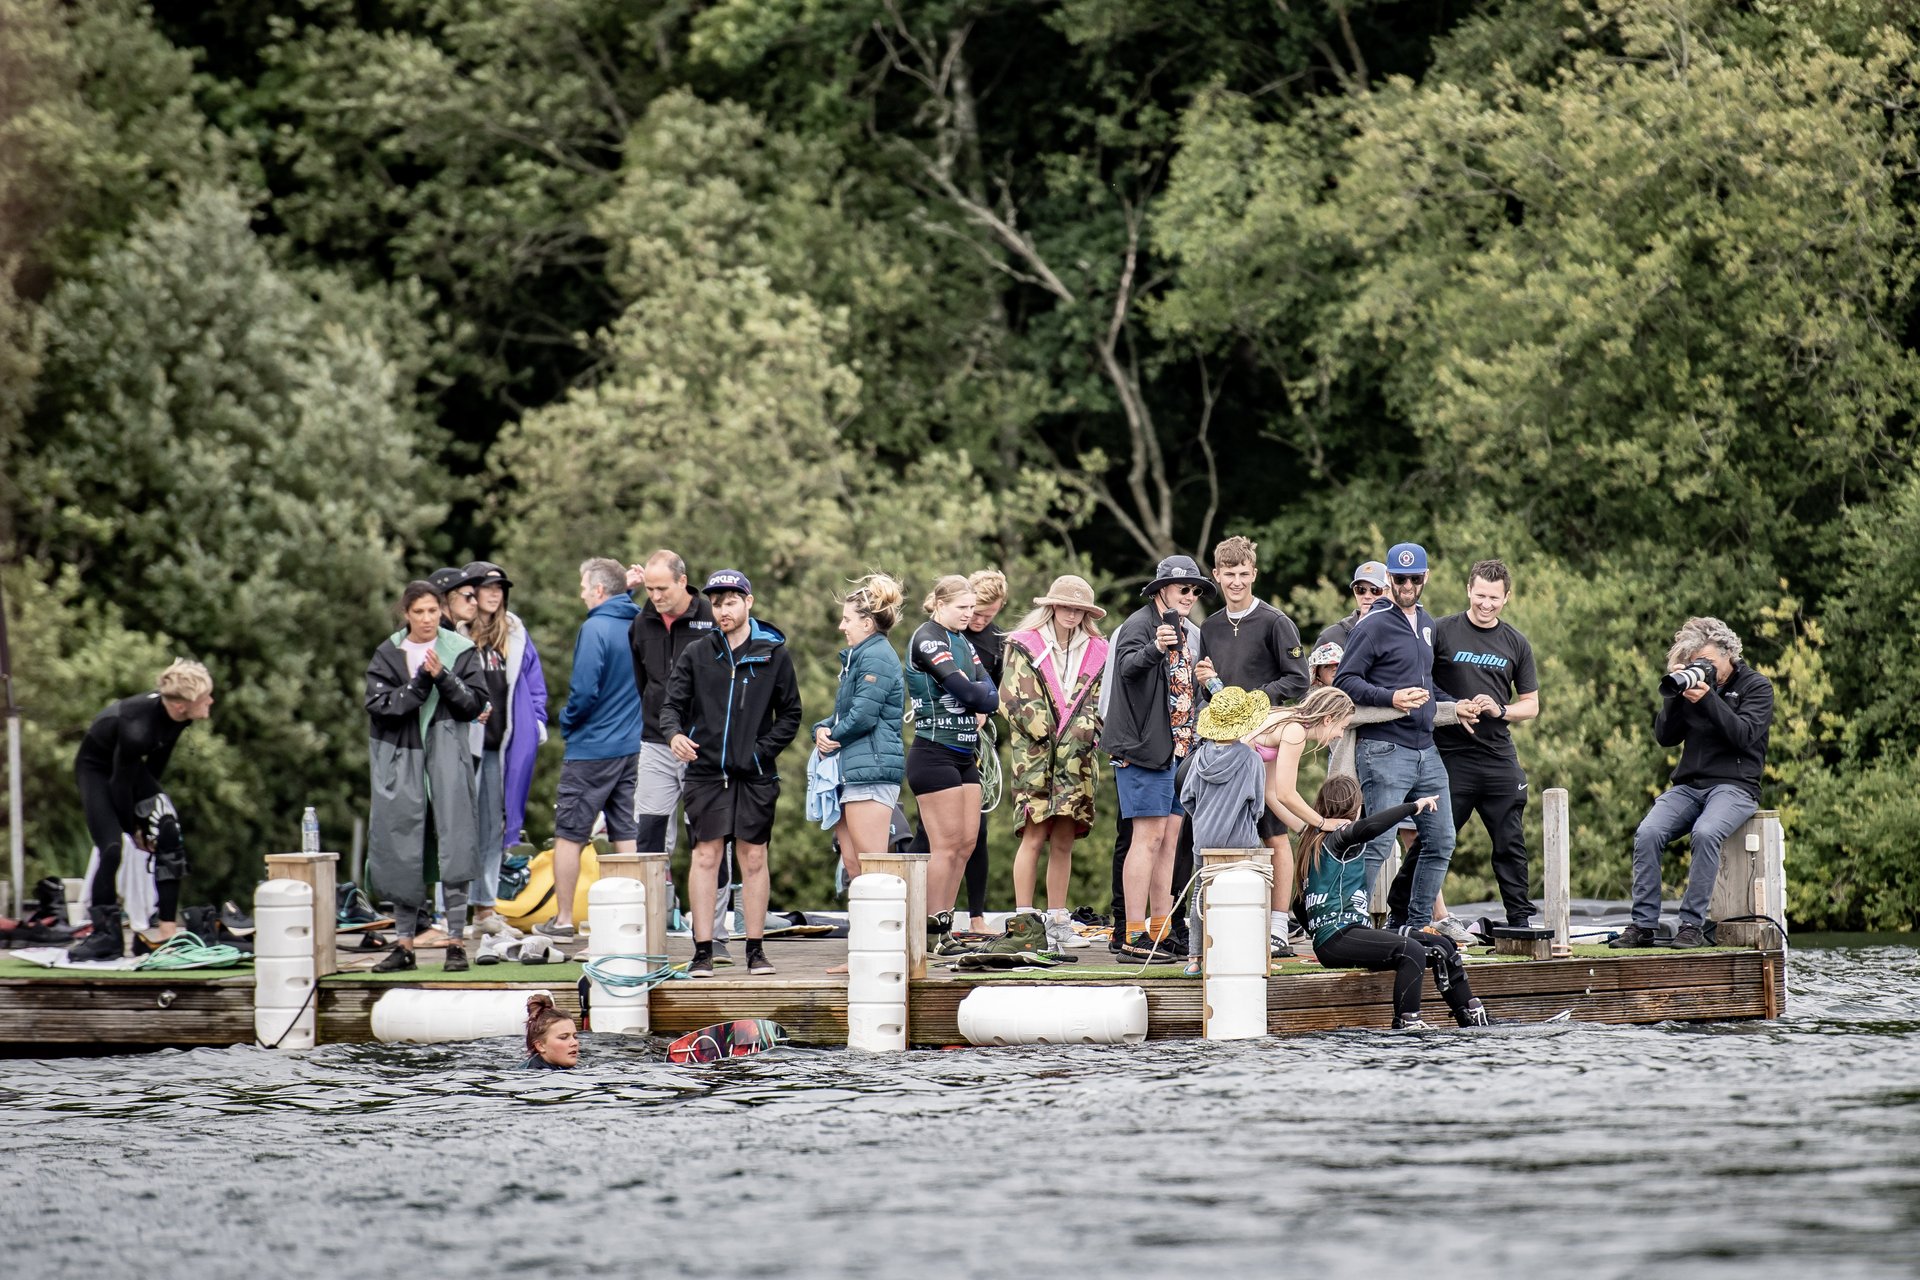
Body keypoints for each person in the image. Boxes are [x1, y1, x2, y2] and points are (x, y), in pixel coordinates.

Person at [659, 569, 804, 978]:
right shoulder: (698, 652)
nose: (723, 610)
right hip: (705, 772)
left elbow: (791, 714)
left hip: (755, 773)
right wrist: (673, 735)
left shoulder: (773, 652)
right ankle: (702, 950)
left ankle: (755, 950)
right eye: (717, 603)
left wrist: (760, 753)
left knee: (753, 856)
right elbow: (671, 706)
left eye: (730, 602)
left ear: (748, 602)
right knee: (705, 856)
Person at [1612, 617, 1774, 949]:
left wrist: (1709, 699)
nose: (1703, 668)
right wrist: (1675, 693)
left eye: (1708, 662)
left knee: (1705, 831)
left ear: (1729, 654)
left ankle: (1690, 925)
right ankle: (1643, 925)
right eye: (1696, 662)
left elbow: (1743, 736)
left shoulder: (1756, 686)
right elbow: (1665, 738)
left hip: (1736, 786)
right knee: (1648, 833)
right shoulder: (1690, 687)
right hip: (1690, 786)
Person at [1296, 776, 1491, 1029]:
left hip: (1348, 935)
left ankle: (1473, 1018)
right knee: (1411, 952)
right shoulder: (1339, 834)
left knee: (1442, 945)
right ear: (1355, 807)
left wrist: (1316, 933)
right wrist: (1413, 806)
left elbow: (1300, 905)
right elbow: (1371, 827)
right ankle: (1407, 1024)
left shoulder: (1314, 839)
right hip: (1338, 938)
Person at [364, 581, 490, 973]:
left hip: (449, 756)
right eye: (418, 612)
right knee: (403, 846)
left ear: (441, 611)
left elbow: (475, 704)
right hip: (402, 760)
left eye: (432, 611)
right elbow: (380, 706)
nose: (426, 619)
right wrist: (421, 680)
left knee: (455, 843)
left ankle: (455, 942)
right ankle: (404, 944)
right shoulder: (388, 653)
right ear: (407, 614)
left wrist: (444, 676)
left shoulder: (461, 650)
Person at [1098, 554, 1216, 962]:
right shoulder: (1138, 625)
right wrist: (1154, 648)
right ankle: (1132, 932)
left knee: (1168, 842)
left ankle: (1160, 928)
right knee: (1144, 840)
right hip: (1143, 751)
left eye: (1196, 590)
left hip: (1179, 750)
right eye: (1184, 588)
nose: (1190, 595)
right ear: (1162, 589)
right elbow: (1126, 668)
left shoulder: (1186, 630)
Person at [1334, 542, 1456, 931]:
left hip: (1426, 749)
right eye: (1399, 578)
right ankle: (1345, 924)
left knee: (1441, 841)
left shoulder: (1427, 622)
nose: (1407, 584)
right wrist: (1391, 697)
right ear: (1389, 579)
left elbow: (1427, 687)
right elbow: (1344, 683)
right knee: (1380, 843)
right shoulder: (1372, 625)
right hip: (1385, 748)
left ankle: (1416, 925)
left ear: (1425, 578)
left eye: (1414, 578)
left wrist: (1461, 705)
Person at [1201, 536, 1311, 955]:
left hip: (1264, 741)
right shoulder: (1208, 627)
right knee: (1226, 834)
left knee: (1272, 833)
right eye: (1229, 574)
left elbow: (1298, 679)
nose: (1236, 581)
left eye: (1244, 574)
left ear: (1254, 574)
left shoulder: (1275, 621)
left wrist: (1253, 704)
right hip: (1221, 743)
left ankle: (1279, 926)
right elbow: (1208, 686)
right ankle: (1226, 927)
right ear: (1217, 576)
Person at [66, 660, 216, 960]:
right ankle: (104, 935)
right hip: (96, 770)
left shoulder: (179, 716)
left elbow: (156, 764)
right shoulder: (138, 728)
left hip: (131, 769)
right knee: (111, 847)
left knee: (168, 829)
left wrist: (152, 814)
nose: (211, 702)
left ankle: (166, 932)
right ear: (181, 705)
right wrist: (134, 829)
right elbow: (120, 784)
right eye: (204, 698)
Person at [536, 558, 644, 943]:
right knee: (624, 830)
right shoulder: (637, 623)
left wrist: (566, 721)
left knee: (569, 832)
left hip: (591, 747)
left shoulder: (594, 627)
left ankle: (564, 920)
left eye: (584, 586)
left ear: (599, 590)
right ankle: (633, 918)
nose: (581, 592)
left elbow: (584, 690)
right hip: (631, 746)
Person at [1429, 559, 1540, 929]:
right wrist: (1453, 706)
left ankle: (1520, 921)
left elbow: (1532, 705)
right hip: (1451, 756)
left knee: (1510, 842)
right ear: (1468, 590)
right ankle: (1409, 915)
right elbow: (1421, 684)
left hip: (1497, 756)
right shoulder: (1441, 631)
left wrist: (1500, 709)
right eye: (1480, 595)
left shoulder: (1516, 642)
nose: (1486, 604)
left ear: (1506, 597)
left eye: (1494, 597)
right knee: (1438, 841)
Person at [1001, 575, 1109, 952]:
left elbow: (1102, 702)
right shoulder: (1023, 645)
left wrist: (1086, 732)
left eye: (1078, 608)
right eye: (1065, 606)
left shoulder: (1100, 650)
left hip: (1078, 759)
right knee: (1033, 834)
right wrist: (1045, 731)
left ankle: (1059, 919)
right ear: (1051, 606)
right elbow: (1012, 697)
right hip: (1033, 757)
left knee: (1065, 837)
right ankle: (1025, 920)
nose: (1071, 613)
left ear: (1086, 613)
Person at [624, 550, 721, 943]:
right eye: (649, 588)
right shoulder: (641, 622)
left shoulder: (711, 617)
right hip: (656, 743)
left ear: (683, 581)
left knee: (710, 841)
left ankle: (714, 937)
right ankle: (650, 934)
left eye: (662, 588)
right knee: (648, 835)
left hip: (705, 746)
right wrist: (662, 727)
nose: (656, 596)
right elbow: (643, 682)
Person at [814, 573, 907, 974]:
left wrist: (831, 733)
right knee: (854, 866)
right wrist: (821, 727)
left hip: (872, 771)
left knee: (874, 868)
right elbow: (846, 712)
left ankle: (883, 951)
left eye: (847, 618)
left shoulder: (876, 656)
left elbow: (864, 715)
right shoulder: (859, 656)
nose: (842, 625)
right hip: (855, 771)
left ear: (867, 623)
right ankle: (862, 952)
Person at [906, 575, 1001, 955]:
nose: (969, 614)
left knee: (965, 844)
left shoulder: (962, 640)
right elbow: (967, 691)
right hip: (933, 752)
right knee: (943, 847)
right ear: (940, 604)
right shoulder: (929, 637)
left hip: (965, 753)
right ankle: (932, 932)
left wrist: (978, 693)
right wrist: (976, 693)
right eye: (961, 608)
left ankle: (946, 925)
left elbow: (990, 695)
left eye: (972, 608)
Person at [462, 560, 547, 930]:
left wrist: (538, 723)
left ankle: (484, 907)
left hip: (503, 745)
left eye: (500, 588)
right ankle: (446, 911)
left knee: (494, 827)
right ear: (471, 592)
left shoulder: (514, 632)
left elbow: (535, 681)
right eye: (487, 587)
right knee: (456, 827)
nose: (495, 593)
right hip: (465, 745)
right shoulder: (455, 633)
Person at [1179, 686, 1274, 975]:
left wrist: (1205, 818)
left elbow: (1187, 798)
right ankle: (1247, 952)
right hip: (1240, 841)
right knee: (1248, 896)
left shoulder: (1199, 758)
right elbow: (1257, 805)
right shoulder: (1250, 759)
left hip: (1203, 838)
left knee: (1201, 896)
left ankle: (1195, 958)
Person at [962, 569, 1010, 933]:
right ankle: (929, 913)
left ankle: (976, 916)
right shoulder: (947, 632)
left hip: (978, 743)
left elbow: (1000, 694)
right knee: (934, 832)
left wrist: (986, 710)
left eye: (987, 615)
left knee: (977, 830)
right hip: (943, 739)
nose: (978, 620)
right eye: (975, 612)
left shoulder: (998, 641)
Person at [1315, 561, 1390, 653]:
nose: (1367, 596)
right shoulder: (1331, 637)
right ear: (1354, 592)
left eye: (1375, 590)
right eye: (1360, 590)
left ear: (1388, 592)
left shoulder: (1400, 633)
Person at [523, 992, 579, 1069]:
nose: (574, 1043)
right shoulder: (532, 1075)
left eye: (575, 1037)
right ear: (540, 1046)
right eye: (563, 1037)